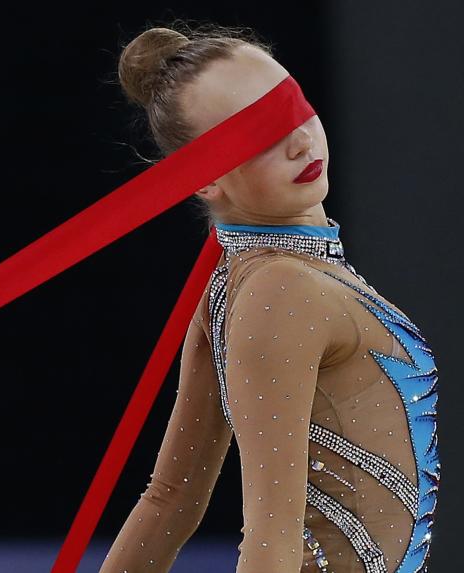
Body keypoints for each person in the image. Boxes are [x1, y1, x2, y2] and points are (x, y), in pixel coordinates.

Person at [98, 22, 440, 573]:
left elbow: (169, 502)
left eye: (294, 107)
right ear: (204, 180)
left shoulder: (242, 284)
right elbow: (268, 541)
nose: (302, 139)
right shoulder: (284, 290)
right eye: (259, 132)